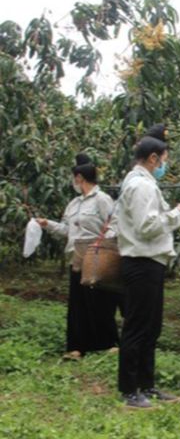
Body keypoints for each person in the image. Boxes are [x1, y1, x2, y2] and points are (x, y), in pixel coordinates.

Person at [116, 136, 180, 409]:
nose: (165, 164)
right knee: (137, 327)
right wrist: (178, 212)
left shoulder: (143, 184)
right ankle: (130, 390)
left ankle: (146, 384)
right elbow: (147, 226)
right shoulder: (141, 186)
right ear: (153, 158)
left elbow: (153, 221)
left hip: (150, 262)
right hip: (141, 263)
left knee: (150, 328)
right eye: (164, 159)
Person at [36, 154, 120, 359]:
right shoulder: (73, 204)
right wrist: (48, 225)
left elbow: (115, 224)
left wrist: (102, 244)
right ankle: (76, 347)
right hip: (77, 257)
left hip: (97, 257)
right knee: (78, 304)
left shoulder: (102, 200)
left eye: (74, 178)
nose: (73, 182)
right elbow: (67, 230)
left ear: (79, 177)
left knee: (100, 300)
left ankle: (109, 343)